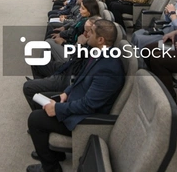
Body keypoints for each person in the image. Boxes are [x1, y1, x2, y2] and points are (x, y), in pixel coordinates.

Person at [26, 19, 125, 172]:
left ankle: (51, 168)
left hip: (85, 119)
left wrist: (58, 108)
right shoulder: (98, 54)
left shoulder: (109, 69)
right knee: (39, 99)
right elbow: (80, 78)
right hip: (75, 98)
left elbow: (89, 105)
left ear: (100, 40)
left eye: (91, 33)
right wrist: (66, 92)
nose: (87, 35)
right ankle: (54, 154)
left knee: (35, 119)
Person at [23, 17, 100, 110]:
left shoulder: (93, 50)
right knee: (37, 62)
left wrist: (80, 46)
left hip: (68, 77)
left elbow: (76, 70)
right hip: (67, 67)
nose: (84, 33)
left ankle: (43, 105)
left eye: (88, 31)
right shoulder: (90, 43)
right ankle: (43, 85)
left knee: (28, 87)